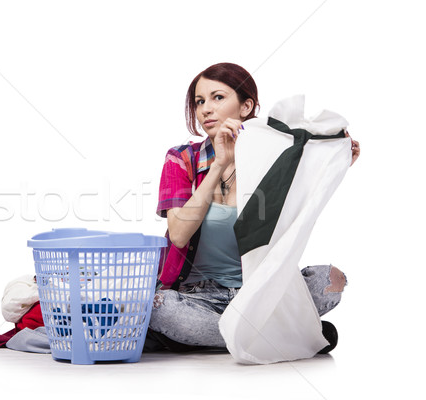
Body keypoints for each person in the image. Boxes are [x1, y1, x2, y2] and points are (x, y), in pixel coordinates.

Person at [144, 62, 360, 353]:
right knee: (160, 309)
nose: (206, 109)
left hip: (259, 291)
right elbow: (179, 234)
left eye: (218, 97)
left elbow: (295, 219)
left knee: (330, 280)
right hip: (198, 297)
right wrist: (219, 163)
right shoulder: (181, 159)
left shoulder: (274, 157)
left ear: (246, 106)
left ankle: (217, 336)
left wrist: (329, 161)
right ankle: (286, 335)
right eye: (199, 101)